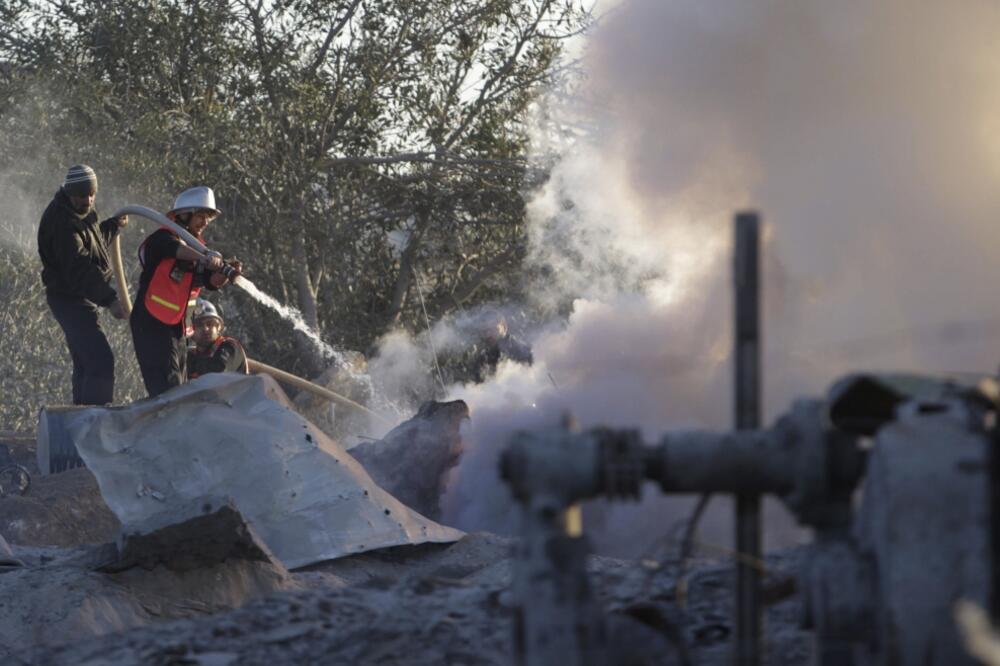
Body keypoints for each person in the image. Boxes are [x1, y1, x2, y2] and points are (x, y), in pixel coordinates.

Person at [130, 186, 239, 397]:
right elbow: (175, 249)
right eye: (201, 216)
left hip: (177, 329)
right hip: (151, 323)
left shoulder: (198, 249)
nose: (205, 222)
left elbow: (211, 281)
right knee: (167, 388)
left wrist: (226, 273)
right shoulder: (162, 239)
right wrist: (204, 257)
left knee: (179, 386)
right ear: (183, 215)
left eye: (208, 217)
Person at [37, 164, 128, 405]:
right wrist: (110, 300)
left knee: (86, 362)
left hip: (81, 298)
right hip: (69, 300)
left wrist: (113, 226)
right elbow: (79, 268)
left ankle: (80, 422)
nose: (87, 200)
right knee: (100, 360)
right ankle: (94, 424)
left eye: (91, 195)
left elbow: (93, 243)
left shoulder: (81, 211)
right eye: (81, 196)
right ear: (69, 193)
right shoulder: (61, 222)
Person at [187, 299, 249, 379]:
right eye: (199, 325)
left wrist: (192, 363)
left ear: (218, 327)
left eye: (210, 323)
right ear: (190, 330)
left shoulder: (230, 346)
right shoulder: (191, 355)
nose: (205, 329)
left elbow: (218, 372)